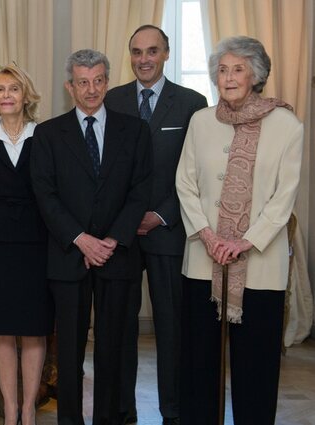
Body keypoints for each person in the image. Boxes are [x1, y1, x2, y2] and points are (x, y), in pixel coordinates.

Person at [176, 36, 302, 425]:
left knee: (256, 366)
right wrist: (210, 237)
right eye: (222, 69)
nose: (227, 78)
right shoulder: (200, 120)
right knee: (200, 363)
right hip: (204, 259)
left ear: (256, 75)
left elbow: (285, 195)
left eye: (238, 69)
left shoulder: (287, 125)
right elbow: (185, 182)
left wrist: (245, 241)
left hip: (260, 266)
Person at [30, 49, 152, 425]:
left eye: (98, 80)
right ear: (70, 86)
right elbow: (44, 195)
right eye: (83, 82)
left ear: (107, 81)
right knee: (69, 351)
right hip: (68, 257)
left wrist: (113, 239)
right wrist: (81, 239)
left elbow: (141, 189)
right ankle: (70, 420)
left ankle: (110, 418)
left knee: (114, 348)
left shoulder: (134, 130)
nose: (91, 89)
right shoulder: (48, 134)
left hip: (119, 256)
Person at [103, 25, 207, 425]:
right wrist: (127, 219)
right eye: (136, 52)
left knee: (172, 329)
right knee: (120, 329)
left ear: (165, 53)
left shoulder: (191, 103)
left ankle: (174, 413)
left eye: (151, 51)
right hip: (123, 238)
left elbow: (196, 172)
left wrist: (161, 214)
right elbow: (106, 169)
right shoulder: (112, 100)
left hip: (169, 231)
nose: (143, 59)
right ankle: (122, 411)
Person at [0, 64, 53, 425]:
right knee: (2, 331)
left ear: (25, 96)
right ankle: (9, 409)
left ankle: (29, 409)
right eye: (0, 89)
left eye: (13, 89)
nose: (6, 95)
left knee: (34, 330)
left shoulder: (45, 137)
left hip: (38, 245)